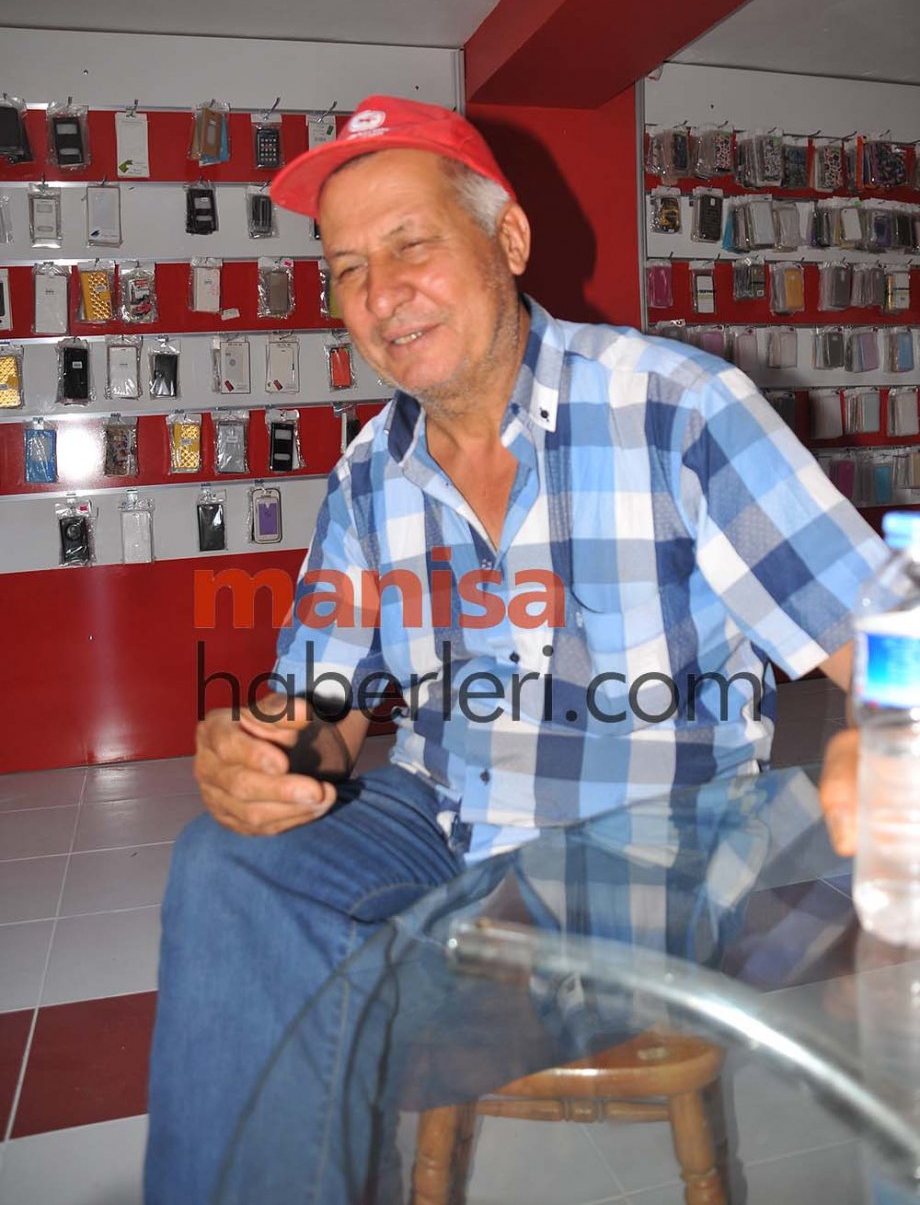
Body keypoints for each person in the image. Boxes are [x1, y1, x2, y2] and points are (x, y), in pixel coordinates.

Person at [144, 96, 881, 1204]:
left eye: (411, 245)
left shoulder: (675, 410)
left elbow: (878, 632)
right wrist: (270, 756)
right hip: (443, 825)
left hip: (649, 851)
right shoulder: (368, 475)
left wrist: (882, 729)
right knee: (226, 866)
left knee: (341, 996)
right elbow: (324, 706)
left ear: (510, 239)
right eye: (347, 269)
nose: (380, 295)